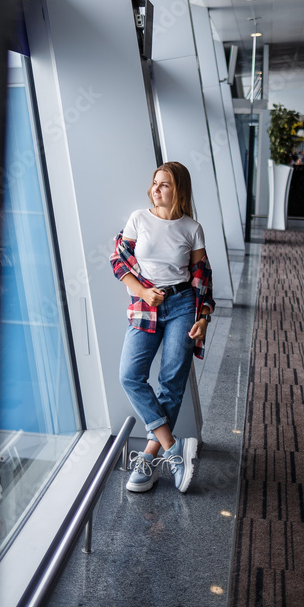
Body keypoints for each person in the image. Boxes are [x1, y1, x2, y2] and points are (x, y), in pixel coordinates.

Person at [111, 161, 214, 495]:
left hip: (183, 305)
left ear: (179, 190)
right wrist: (142, 291)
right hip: (146, 304)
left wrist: (203, 318)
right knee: (130, 375)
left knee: (171, 381)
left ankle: (150, 458)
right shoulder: (138, 218)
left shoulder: (192, 228)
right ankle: (173, 449)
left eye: (165, 184)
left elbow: (202, 278)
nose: (156, 189)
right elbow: (119, 260)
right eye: (155, 183)